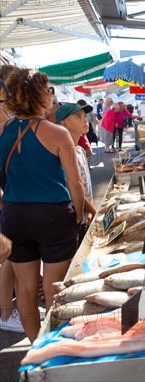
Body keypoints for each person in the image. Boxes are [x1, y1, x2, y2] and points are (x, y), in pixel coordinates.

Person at [0, 68, 84, 342]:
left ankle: (36, 345)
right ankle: (56, 346)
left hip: (13, 214)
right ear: (41, 96)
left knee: (24, 289)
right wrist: (79, 213)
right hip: (53, 214)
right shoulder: (59, 134)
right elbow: (75, 183)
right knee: (54, 288)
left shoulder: (3, 131)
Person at [0, 65, 23, 333]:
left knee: (15, 256)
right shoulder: (4, 117)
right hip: (8, 197)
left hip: (13, 195)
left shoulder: (9, 115)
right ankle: (6, 313)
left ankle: (14, 309)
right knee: (8, 259)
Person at [56, 103, 97, 246]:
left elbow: (86, 184)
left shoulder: (79, 149)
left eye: (84, 116)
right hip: (74, 218)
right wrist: (93, 210)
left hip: (85, 215)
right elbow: (74, 186)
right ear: (64, 123)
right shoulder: (66, 153)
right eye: (78, 117)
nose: (85, 120)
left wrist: (91, 211)